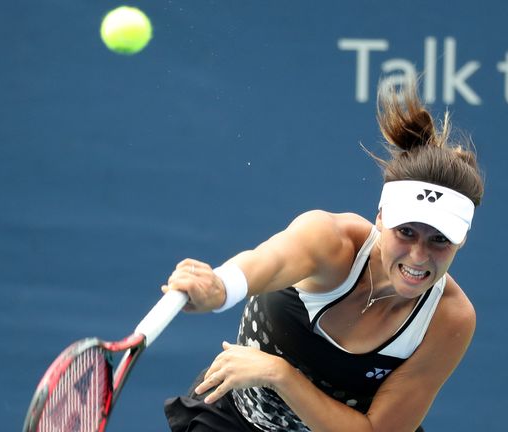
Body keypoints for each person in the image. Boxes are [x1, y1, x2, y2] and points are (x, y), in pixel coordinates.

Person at [162, 85, 485, 432]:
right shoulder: (330, 241)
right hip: (231, 420)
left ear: (461, 240)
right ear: (380, 217)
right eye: (405, 232)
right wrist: (217, 287)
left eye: (439, 240)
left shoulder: (450, 319)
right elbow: (263, 263)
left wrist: (280, 375)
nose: (419, 256)